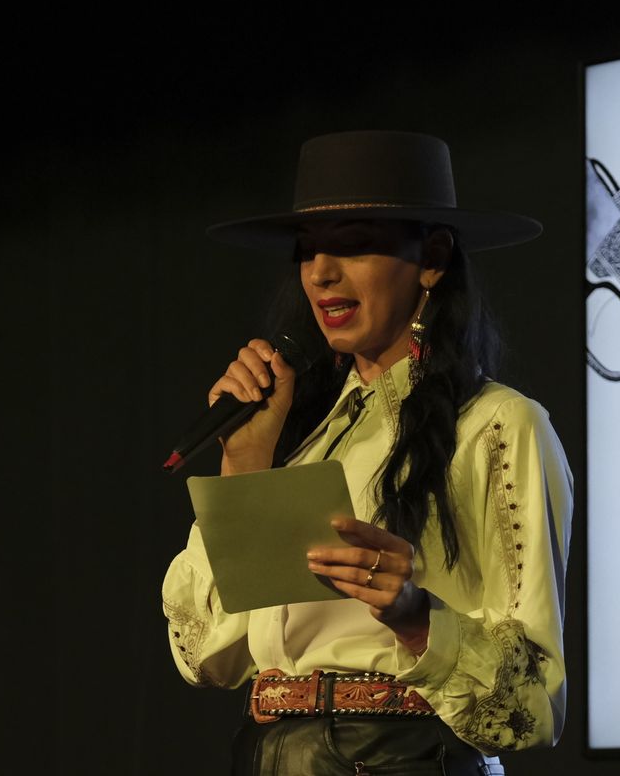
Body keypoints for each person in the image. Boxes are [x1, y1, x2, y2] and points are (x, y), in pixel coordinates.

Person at [162, 131, 573, 775]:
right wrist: (245, 462)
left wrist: (415, 616)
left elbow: (530, 707)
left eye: (353, 245)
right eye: (308, 251)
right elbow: (205, 655)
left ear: (432, 258)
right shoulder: (303, 438)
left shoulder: (497, 424)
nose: (321, 273)